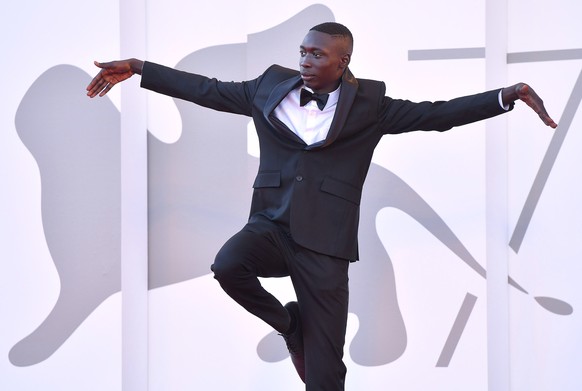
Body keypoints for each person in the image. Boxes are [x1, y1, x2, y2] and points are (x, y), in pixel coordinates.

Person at [87, 22, 557, 391]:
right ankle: (291, 325)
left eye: (317, 55)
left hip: (326, 248)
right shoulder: (268, 87)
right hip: (271, 226)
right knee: (228, 265)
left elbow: (434, 115)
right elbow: (207, 89)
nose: (306, 61)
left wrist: (504, 97)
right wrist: (141, 68)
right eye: (303, 52)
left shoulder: (371, 105)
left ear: (342, 62)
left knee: (326, 374)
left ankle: (307, 342)